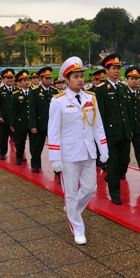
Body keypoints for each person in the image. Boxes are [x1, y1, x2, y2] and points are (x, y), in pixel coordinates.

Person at [48, 57, 109, 245]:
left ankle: (72, 208)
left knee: (91, 188)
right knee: (71, 193)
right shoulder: (58, 101)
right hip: (69, 154)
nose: (80, 80)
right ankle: (78, 228)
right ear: (66, 80)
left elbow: (97, 125)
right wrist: (55, 158)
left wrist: (103, 147)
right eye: (76, 76)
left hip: (88, 151)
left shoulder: (91, 98)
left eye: (82, 76)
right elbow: (54, 131)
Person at [95, 54, 133, 205]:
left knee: (125, 161)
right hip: (110, 133)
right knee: (113, 162)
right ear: (107, 70)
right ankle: (115, 193)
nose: (116, 71)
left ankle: (110, 175)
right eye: (113, 68)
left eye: (118, 68)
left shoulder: (124, 88)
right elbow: (101, 114)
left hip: (124, 132)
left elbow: (128, 111)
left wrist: (130, 129)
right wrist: (101, 135)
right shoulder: (102, 90)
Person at [29, 66, 53, 174]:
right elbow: (32, 109)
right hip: (40, 123)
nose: (49, 80)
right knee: (38, 146)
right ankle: (36, 164)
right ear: (41, 79)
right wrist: (33, 125)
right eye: (46, 78)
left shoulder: (54, 91)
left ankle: (57, 168)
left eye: (50, 78)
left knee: (54, 146)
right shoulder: (34, 92)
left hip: (52, 124)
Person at [10, 70, 32, 166]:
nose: (26, 82)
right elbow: (13, 110)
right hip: (20, 122)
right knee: (20, 142)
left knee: (33, 143)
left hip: (31, 122)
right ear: (19, 82)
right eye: (23, 80)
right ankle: (19, 157)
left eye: (27, 80)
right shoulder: (15, 95)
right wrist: (12, 124)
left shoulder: (33, 93)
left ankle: (34, 159)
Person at [0, 69, 16, 160]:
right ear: (3, 79)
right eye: (8, 78)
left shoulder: (17, 89)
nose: (10, 80)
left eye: (11, 78)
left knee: (17, 137)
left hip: (15, 119)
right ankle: (2, 152)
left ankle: (19, 154)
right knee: (3, 136)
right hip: (4, 118)